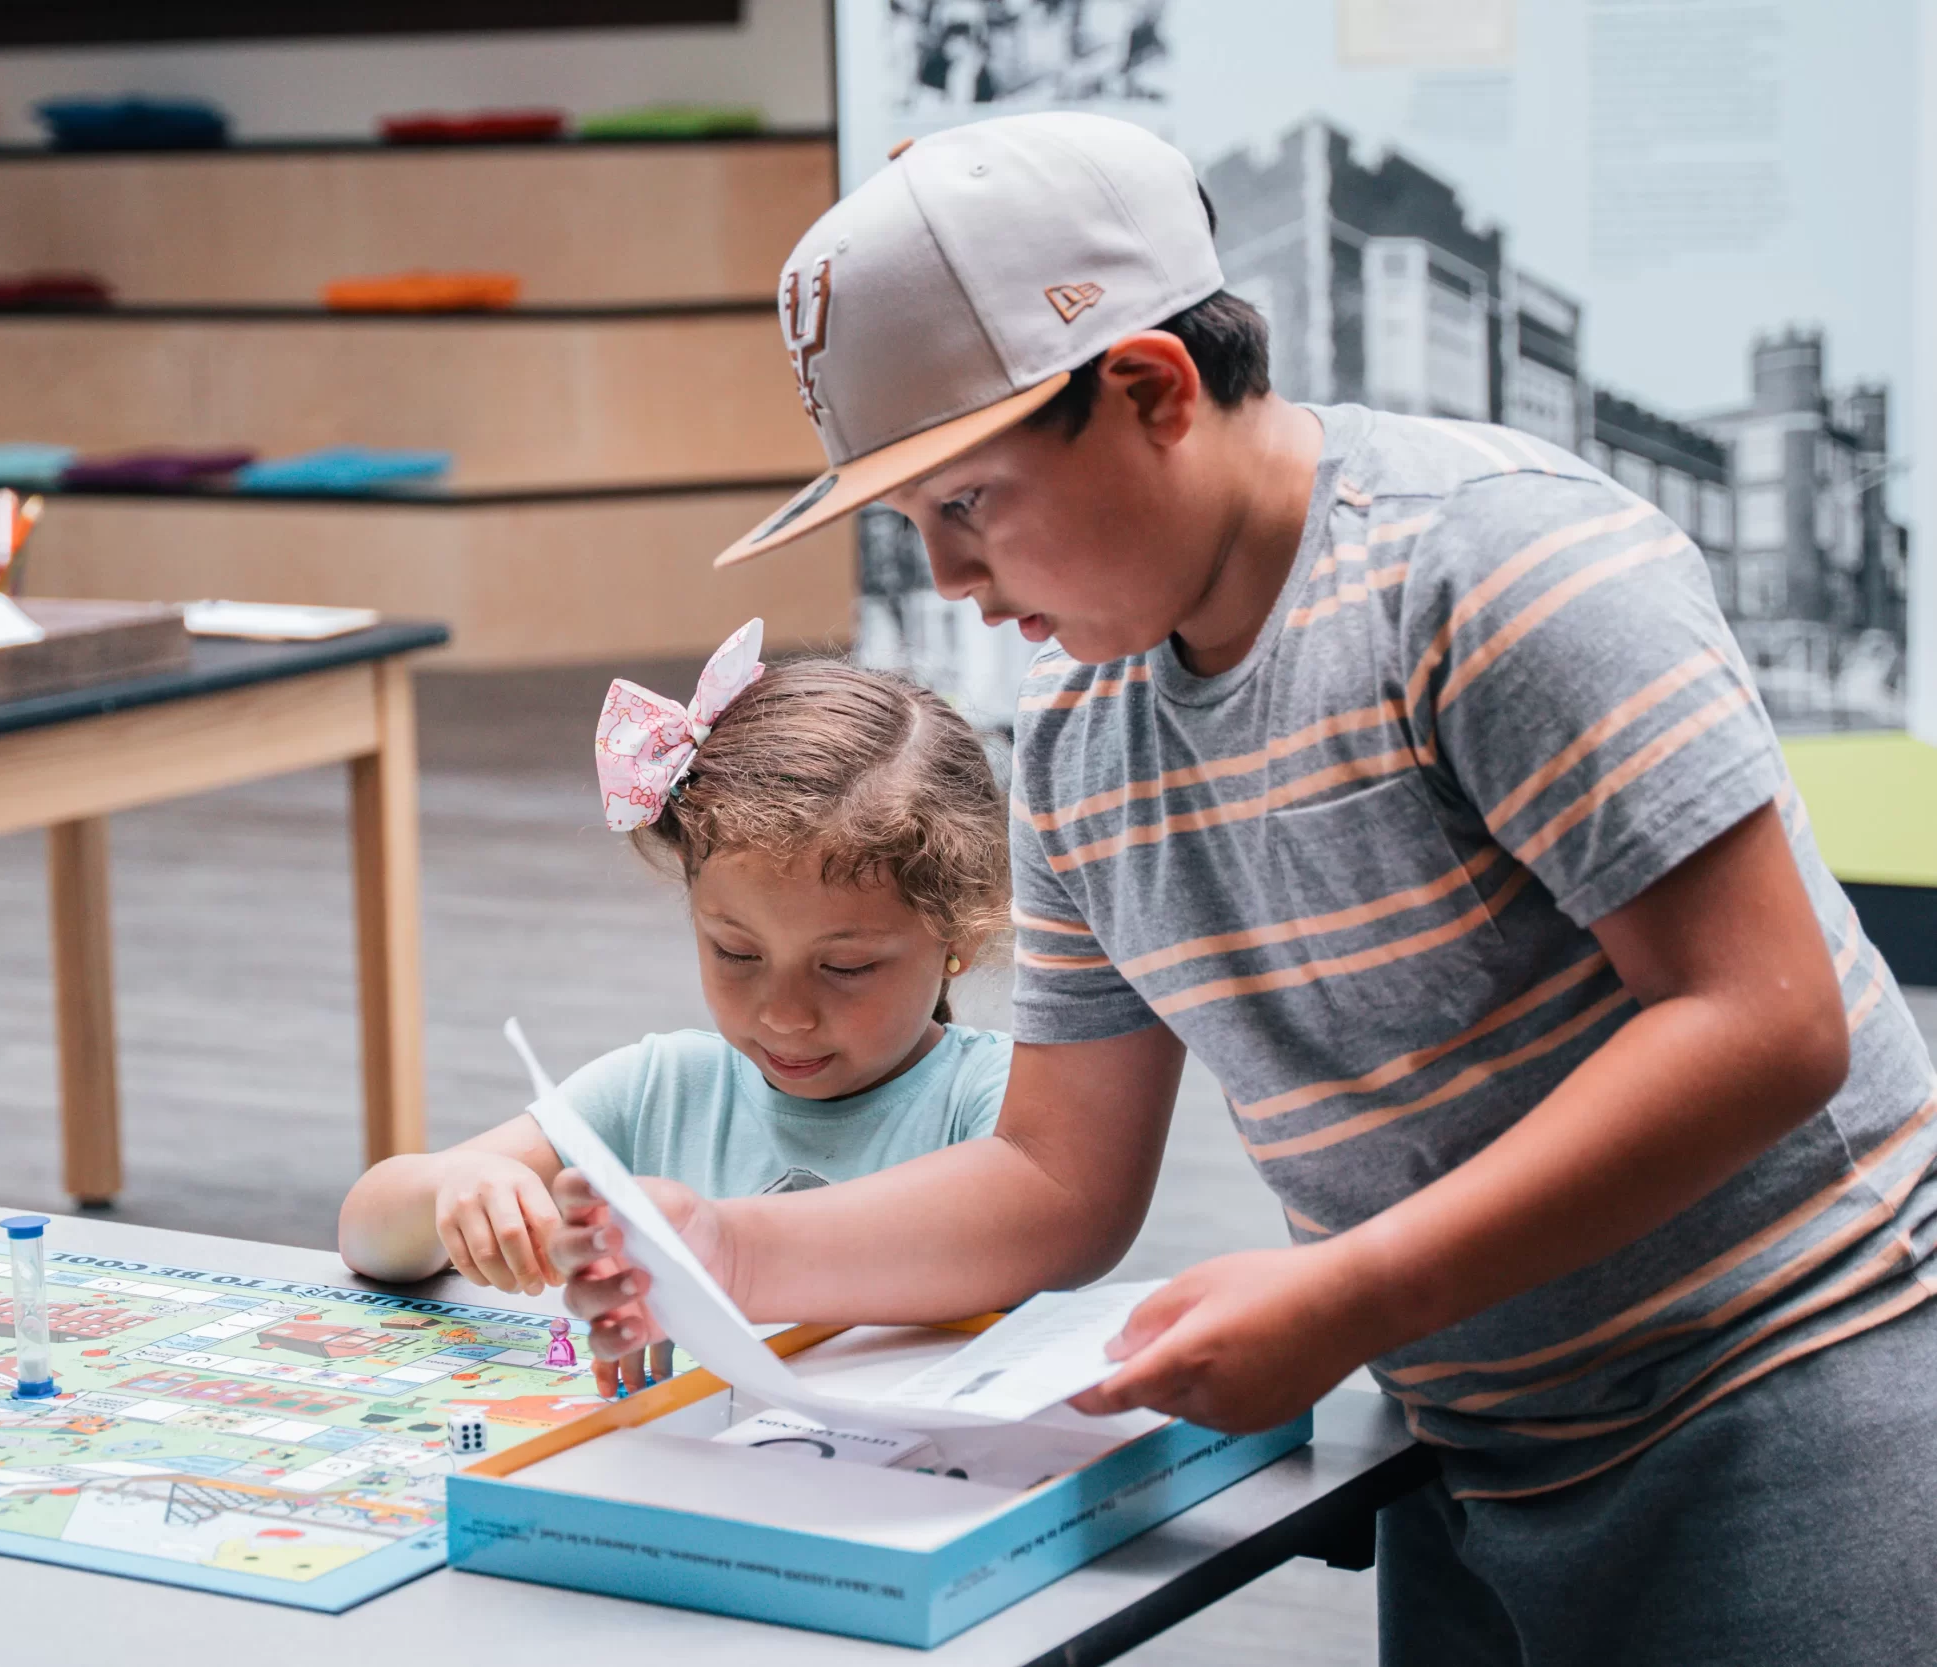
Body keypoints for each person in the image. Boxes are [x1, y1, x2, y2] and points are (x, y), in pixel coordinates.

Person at [546, 113, 1937, 1665]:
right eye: (908, 525)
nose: (945, 579)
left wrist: (1348, 1290)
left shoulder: (1497, 573)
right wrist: (728, 1248)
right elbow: (1056, 1179)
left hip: (1789, 1380)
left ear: (1149, 389)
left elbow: (1764, 1020)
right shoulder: (1081, 733)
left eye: (968, 504)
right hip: (1468, 1432)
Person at [338, 620, 1016, 1392]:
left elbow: (997, 1254)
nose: (785, 1013)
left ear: (959, 931)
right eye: (736, 953)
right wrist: (452, 1189)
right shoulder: (663, 1088)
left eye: (846, 966)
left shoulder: (998, 1108)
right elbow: (368, 1228)